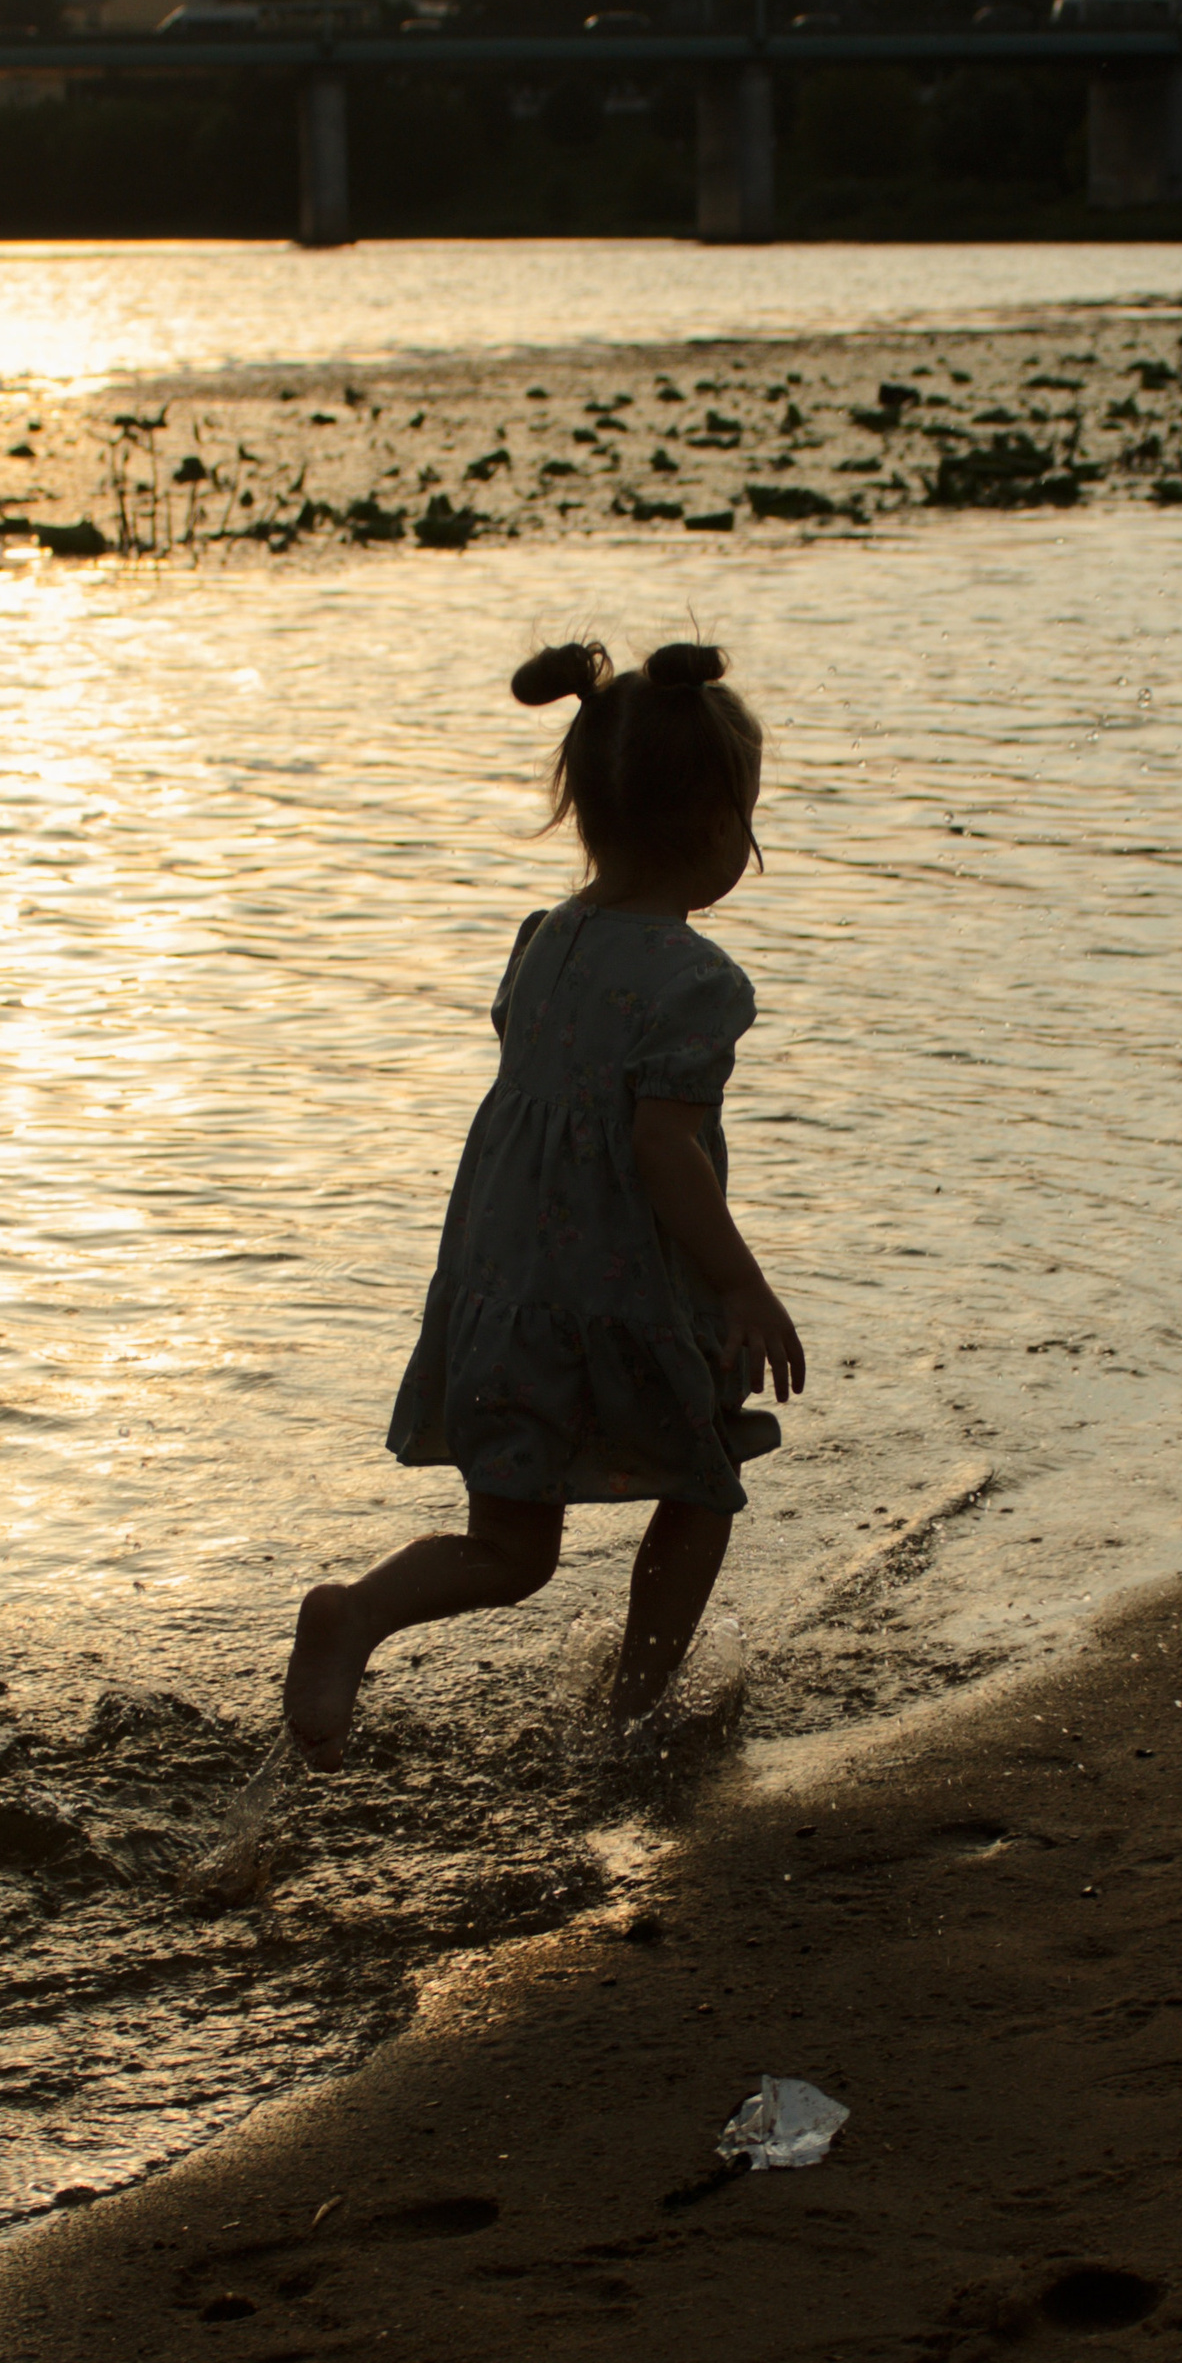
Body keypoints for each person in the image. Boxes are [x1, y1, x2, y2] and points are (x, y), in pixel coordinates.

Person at [283, 635, 803, 1770]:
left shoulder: (541, 942)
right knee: (703, 1481)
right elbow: (662, 1149)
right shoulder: (699, 980)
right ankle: (632, 1711)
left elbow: (543, 1098)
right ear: (719, 827)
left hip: (505, 1286)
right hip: (623, 1294)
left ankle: (357, 1612)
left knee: (511, 1545)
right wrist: (740, 1281)